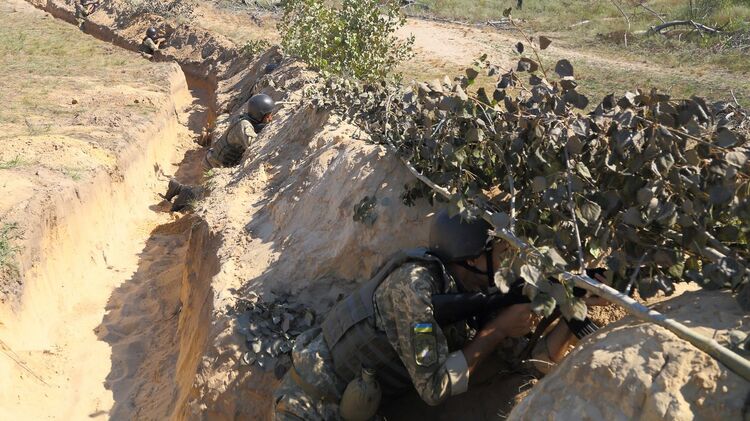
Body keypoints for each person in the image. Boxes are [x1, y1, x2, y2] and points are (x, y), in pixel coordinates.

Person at [273, 210, 597, 420]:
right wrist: (497, 330)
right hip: (308, 407)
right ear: (470, 258)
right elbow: (436, 388)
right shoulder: (413, 290)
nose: (507, 265)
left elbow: (523, 361)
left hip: (364, 401)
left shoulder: (467, 291)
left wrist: (570, 307)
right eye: (499, 255)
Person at [162, 94, 275, 212]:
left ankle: (176, 188)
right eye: (268, 116)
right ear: (259, 115)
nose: (271, 119)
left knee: (205, 191)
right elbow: (255, 146)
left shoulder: (246, 119)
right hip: (214, 165)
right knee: (206, 196)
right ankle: (183, 192)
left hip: (214, 160)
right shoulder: (244, 126)